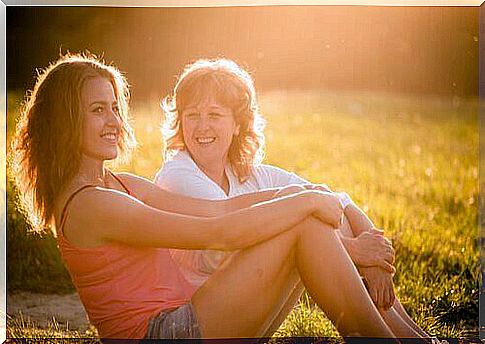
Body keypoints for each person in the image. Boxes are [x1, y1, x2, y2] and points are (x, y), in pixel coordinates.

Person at [10, 53, 405, 340]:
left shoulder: (118, 184)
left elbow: (216, 209)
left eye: (115, 107)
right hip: (164, 334)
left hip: (189, 321)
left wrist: (303, 192)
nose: (114, 121)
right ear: (65, 121)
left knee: (302, 217)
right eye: (98, 110)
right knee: (302, 223)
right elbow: (219, 233)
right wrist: (306, 204)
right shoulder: (91, 204)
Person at [155, 58, 428, 338]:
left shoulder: (247, 174)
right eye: (192, 115)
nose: (202, 127)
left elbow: (336, 200)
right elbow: (231, 242)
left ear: (237, 124)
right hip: (196, 322)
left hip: (238, 317)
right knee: (306, 220)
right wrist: (356, 252)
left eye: (214, 115)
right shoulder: (178, 176)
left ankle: (415, 338)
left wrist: (374, 256)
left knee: (319, 210)